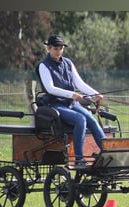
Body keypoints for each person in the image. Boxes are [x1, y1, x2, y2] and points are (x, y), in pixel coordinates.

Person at [37, 34, 106, 168]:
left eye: (61, 48)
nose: (59, 51)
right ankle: (79, 159)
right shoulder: (43, 66)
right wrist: (72, 94)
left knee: (91, 119)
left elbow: (79, 83)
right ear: (49, 49)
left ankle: (107, 151)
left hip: (70, 104)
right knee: (80, 119)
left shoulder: (68, 63)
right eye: (56, 48)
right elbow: (50, 88)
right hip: (55, 104)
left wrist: (95, 93)